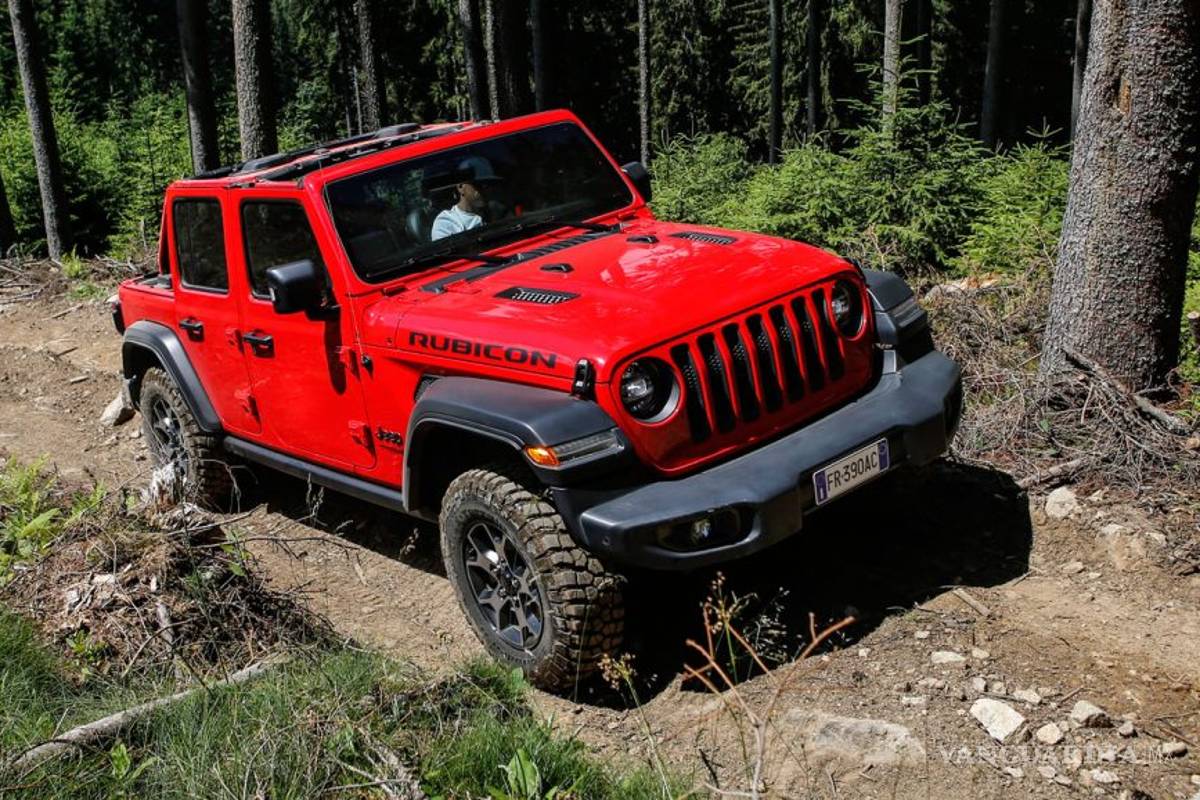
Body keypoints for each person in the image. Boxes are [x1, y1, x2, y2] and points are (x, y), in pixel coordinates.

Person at [431, 156, 502, 240]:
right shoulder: (447, 222)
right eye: (479, 185)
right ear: (461, 187)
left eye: (489, 185)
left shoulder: (498, 211)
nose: (485, 190)